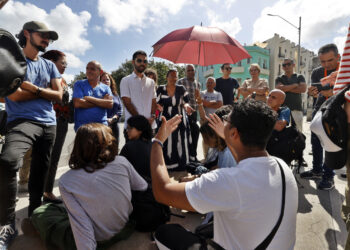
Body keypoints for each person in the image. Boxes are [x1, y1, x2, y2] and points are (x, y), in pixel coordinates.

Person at [151, 99, 298, 249]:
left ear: (234, 133)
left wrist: (158, 141)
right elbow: (242, 159)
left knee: (164, 233)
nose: (223, 124)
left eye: (226, 120)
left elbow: (162, 191)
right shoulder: (282, 166)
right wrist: (229, 137)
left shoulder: (228, 181)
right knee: (204, 230)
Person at [29, 123, 147, 250]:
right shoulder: (122, 161)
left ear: (78, 146)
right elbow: (142, 186)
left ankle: (39, 229)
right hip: (125, 227)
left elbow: (81, 224)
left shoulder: (66, 181)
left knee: (40, 212)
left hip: (98, 240)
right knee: (62, 208)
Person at [0, 20, 63, 248]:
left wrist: (33, 88)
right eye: (43, 35)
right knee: (7, 161)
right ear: (27, 33)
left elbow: (59, 96)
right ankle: (6, 225)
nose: (47, 40)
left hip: (49, 124)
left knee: (40, 172)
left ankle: (36, 215)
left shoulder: (49, 65)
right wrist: (45, 93)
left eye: (50, 37)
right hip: (22, 122)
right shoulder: (13, 61)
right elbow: (14, 97)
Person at [300, 44, 340, 190]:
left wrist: (334, 94)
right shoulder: (317, 72)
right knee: (315, 140)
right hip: (320, 109)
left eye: (330, 60)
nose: (326, 64)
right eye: (323, 61)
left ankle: (329, 176)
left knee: (331, 144)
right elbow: (315, 92)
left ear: (338, 56)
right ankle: (317, 170)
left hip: (337, 112)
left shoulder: (344, 72)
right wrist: (313, 93)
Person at [156, 69, 196, 172]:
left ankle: (181, 164)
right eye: (171, 76)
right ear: (167, 77)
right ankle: (167, 164)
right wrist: (158, 108)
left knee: (180, 140)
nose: (174, 78)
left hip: (179, 118)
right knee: (167, 140)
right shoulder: (160, 89)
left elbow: (186, 102)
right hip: (165, 119)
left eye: (175, 76)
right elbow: (156, 103)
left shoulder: (181, 88)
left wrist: (187, 107)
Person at [120, 50, 157, 141]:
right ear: (133, 62)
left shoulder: (151, 82)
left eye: (145, 61)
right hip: (133, 128)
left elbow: (153, 101)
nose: (142, 63)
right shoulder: (125, 80)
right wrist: (142, 121)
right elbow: (127, 103)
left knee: (148, 155)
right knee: (132, 155)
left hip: (149, 127)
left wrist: (152, 116)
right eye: (139, 61)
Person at [73, 61, 113, 131]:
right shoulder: (79, 84)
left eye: (92, 69)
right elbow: (78, 103)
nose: (89, 71)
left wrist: (89, 98)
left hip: (102, 127)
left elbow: (109, 104)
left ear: (100, 72)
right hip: (83, 128)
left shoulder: (106, 87)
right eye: (87, 69)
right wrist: (102, 101)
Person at [275, 58, 306, 132]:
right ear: (282, 67)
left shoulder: (299, 77)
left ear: (293, 65)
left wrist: (285, 88)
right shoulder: (279, 78)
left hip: (296, 109)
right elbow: (279, 89)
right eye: (284, 65)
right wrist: (294, 85)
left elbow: (303, 89)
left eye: (288, 64)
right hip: (282, 109)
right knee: (282, 132)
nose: (286, 66)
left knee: (298, 132)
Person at [120, 115, 153, 183]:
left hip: (135, 186)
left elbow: (120, 167)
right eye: (127, 128)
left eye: (130, 128)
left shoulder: (129, 147)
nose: (127, 131)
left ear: (140, 130)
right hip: (152, 186)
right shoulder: (152, 144)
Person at [177, 64, 200, 161]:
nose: (190, 72)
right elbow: (177, 97)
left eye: (192, 70)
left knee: (193, 134)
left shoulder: (197, 83)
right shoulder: (181, 82)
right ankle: (188, 156)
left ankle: (192, 156)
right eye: (188, 70)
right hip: (184, 112)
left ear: (195, 71)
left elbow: (198, 100)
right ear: (185, 72)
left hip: (194, 113)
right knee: (190, 132)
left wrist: (198, 96)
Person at [100, 72, 123, 140]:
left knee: (114, 148)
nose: (106, 81)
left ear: (110, 81)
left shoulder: (115, 95)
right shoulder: (97, 95)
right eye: (103, 80)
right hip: (101, 126)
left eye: (107, 79)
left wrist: (113, 119)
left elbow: (120, 109)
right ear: (100, 82)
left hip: (114, 126)